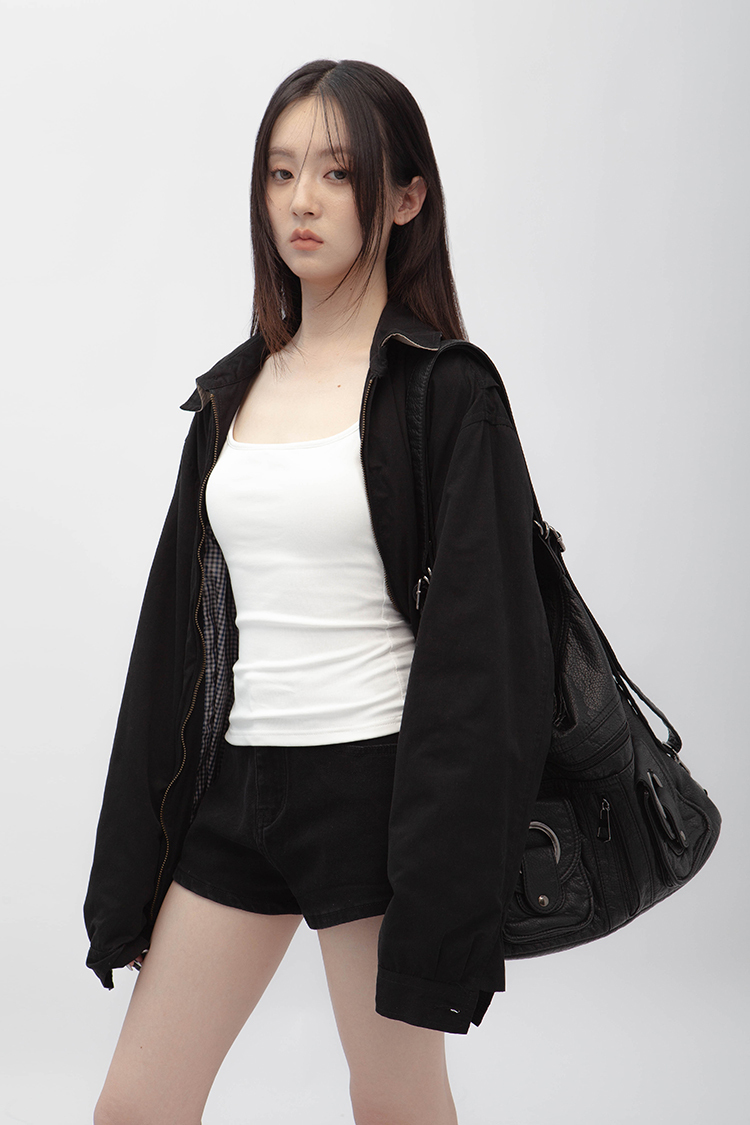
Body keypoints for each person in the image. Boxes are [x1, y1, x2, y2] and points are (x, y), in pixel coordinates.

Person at [86, 58, 555, 1125]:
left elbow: (486, 655)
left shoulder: (447, 391)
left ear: (406, 196)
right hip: (238, 787)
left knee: (395, 1105)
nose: (302, 200)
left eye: (338, 174)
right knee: (137, 1106)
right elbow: (171, 636)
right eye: (281, 171)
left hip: (376, 794)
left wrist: (445, 871)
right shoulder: (231, 393)